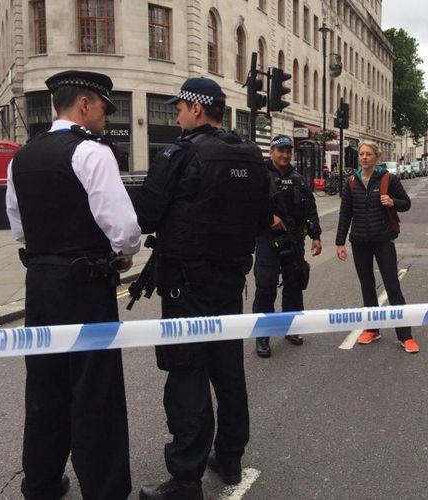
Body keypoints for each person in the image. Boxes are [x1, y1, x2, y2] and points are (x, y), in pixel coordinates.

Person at [133, 77, 271, 500]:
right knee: (227, 368)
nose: (176, 114)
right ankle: (229, 458)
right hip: (230, 279)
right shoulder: (249, 154)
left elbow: (146, 215)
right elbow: (263, 216)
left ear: (196, 108)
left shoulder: (180, 153)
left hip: (186, 284)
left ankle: (186, 478)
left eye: (179, 108)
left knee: (187, 370)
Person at [5, 70, 141, 500]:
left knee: (44, 387)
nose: (104, 118)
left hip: (40, 284)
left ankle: (42, 483)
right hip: (86, 285)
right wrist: (124, 252)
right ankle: (103, 490)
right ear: (84, 105)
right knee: (94, 390)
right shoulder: (92, 152)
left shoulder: (22, 157)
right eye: (102, 108)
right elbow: (124, 228)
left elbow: (19, 228)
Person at [335, 140, 419, 354]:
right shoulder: (352, 182)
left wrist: (393, 202)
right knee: (367, 286)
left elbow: (406, 203)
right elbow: (345, 213)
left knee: (392, 286)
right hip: (359, 241)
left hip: (383, 240)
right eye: (361, 154)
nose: (364, 157)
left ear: (376, 158)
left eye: (368, 154)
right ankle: (373, 329)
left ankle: (405, 335)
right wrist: (339, 242)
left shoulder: (388, 179)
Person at [253, 135, 322, 358]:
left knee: (294, 285)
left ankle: (292, 328)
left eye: (288, 151)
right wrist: (267, 217)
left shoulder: (299, 179)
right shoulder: (260, 178)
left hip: (294, 240)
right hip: (268, 240)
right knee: (266, 286)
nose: (285, 155)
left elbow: (310, 209)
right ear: (271, 152)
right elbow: (247, 205)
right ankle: (263, 335)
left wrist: (316, 235)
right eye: (280, 150)